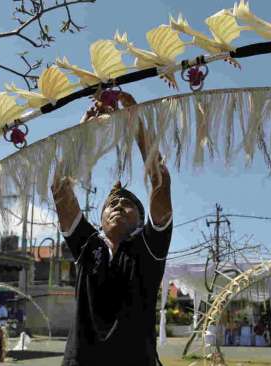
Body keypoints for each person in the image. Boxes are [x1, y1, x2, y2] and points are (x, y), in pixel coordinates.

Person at [52, 92, 173, 366]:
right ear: (100, 221)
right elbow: (60, 188)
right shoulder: (88, 246)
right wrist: (83, 132)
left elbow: (160, 183)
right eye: (111, 204)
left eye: (128, 204)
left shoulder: (149, 248)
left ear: (143, 222)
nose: (118, 206)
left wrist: (136, 124)